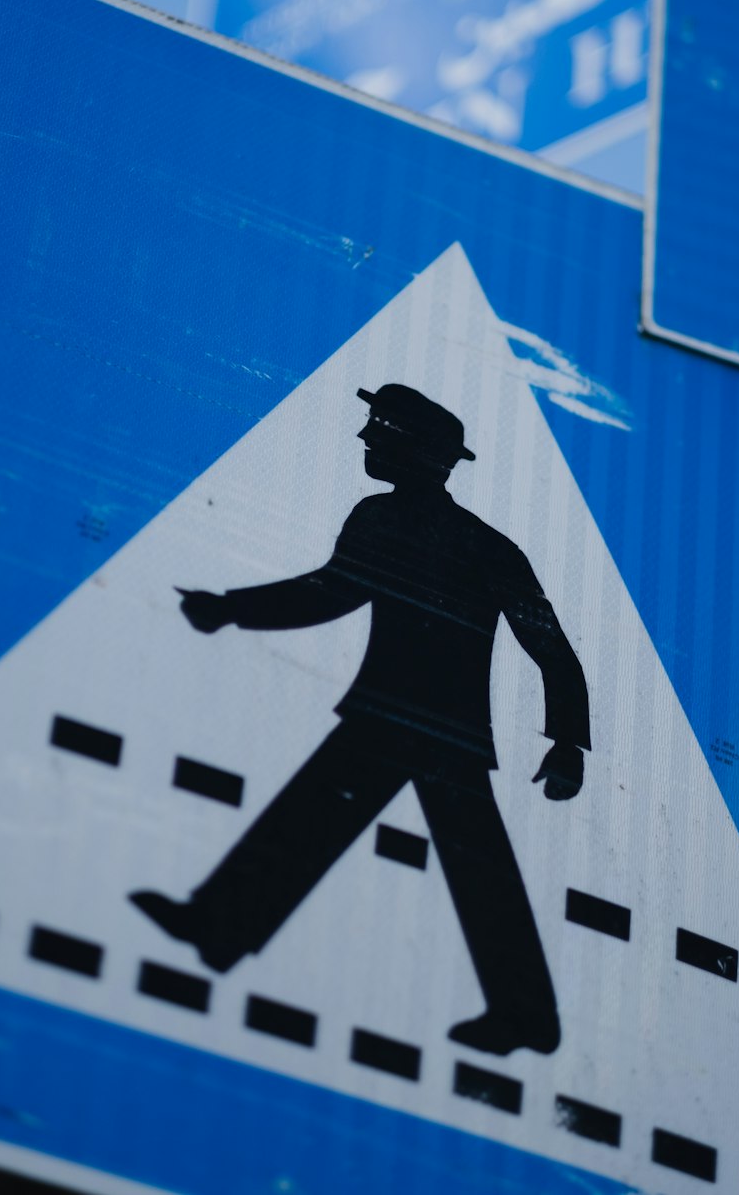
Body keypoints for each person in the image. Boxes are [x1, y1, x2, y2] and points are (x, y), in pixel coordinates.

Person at [131, 383, 590, 1056]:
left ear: (421, 453)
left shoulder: (484, 547)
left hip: (438, 730)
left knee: (471, 868)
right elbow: (332, 592)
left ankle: (526, 1017)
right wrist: (231, 607)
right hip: (395, 715)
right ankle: (216, 927)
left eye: (382, 429)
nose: (366, 439)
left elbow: (548, 646)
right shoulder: (381, 520)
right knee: (312, 822)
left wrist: (568, 743)